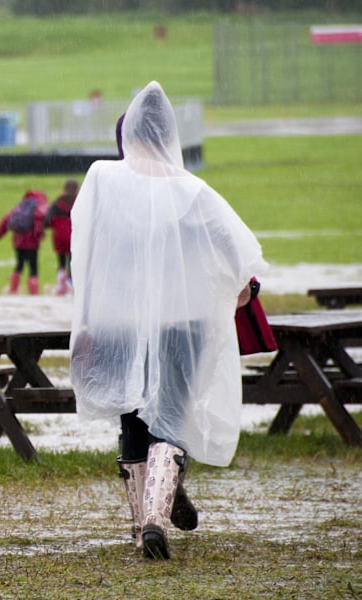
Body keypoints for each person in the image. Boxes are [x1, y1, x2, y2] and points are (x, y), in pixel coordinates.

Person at [69, 81, 267, 560]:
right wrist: (242, 286)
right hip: (183, 324)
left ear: (129, 133)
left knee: (132, 419)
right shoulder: (193, 192)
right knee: (171, 419)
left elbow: (83, 248)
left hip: (119, 322)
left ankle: (141, 530)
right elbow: (240, 252)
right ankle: (159, 515)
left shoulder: (102, 179)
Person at [0, 190, 48, 295]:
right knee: (33, 267)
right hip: (32, 244)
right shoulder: (38, 209)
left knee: (19, 264)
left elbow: (7, 220)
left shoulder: (20, 206)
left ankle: (13, 289)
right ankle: (34, 292)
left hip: (18, 242)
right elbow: (39, 226)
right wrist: (40, 235)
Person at [44, 179, 79, 295]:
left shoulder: (58, 203)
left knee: (61, 261)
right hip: (74, 237)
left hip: (59, 237)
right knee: (72, 261)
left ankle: (61, 284)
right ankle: (70, 284)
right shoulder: (79, 202)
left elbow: (47, 219)